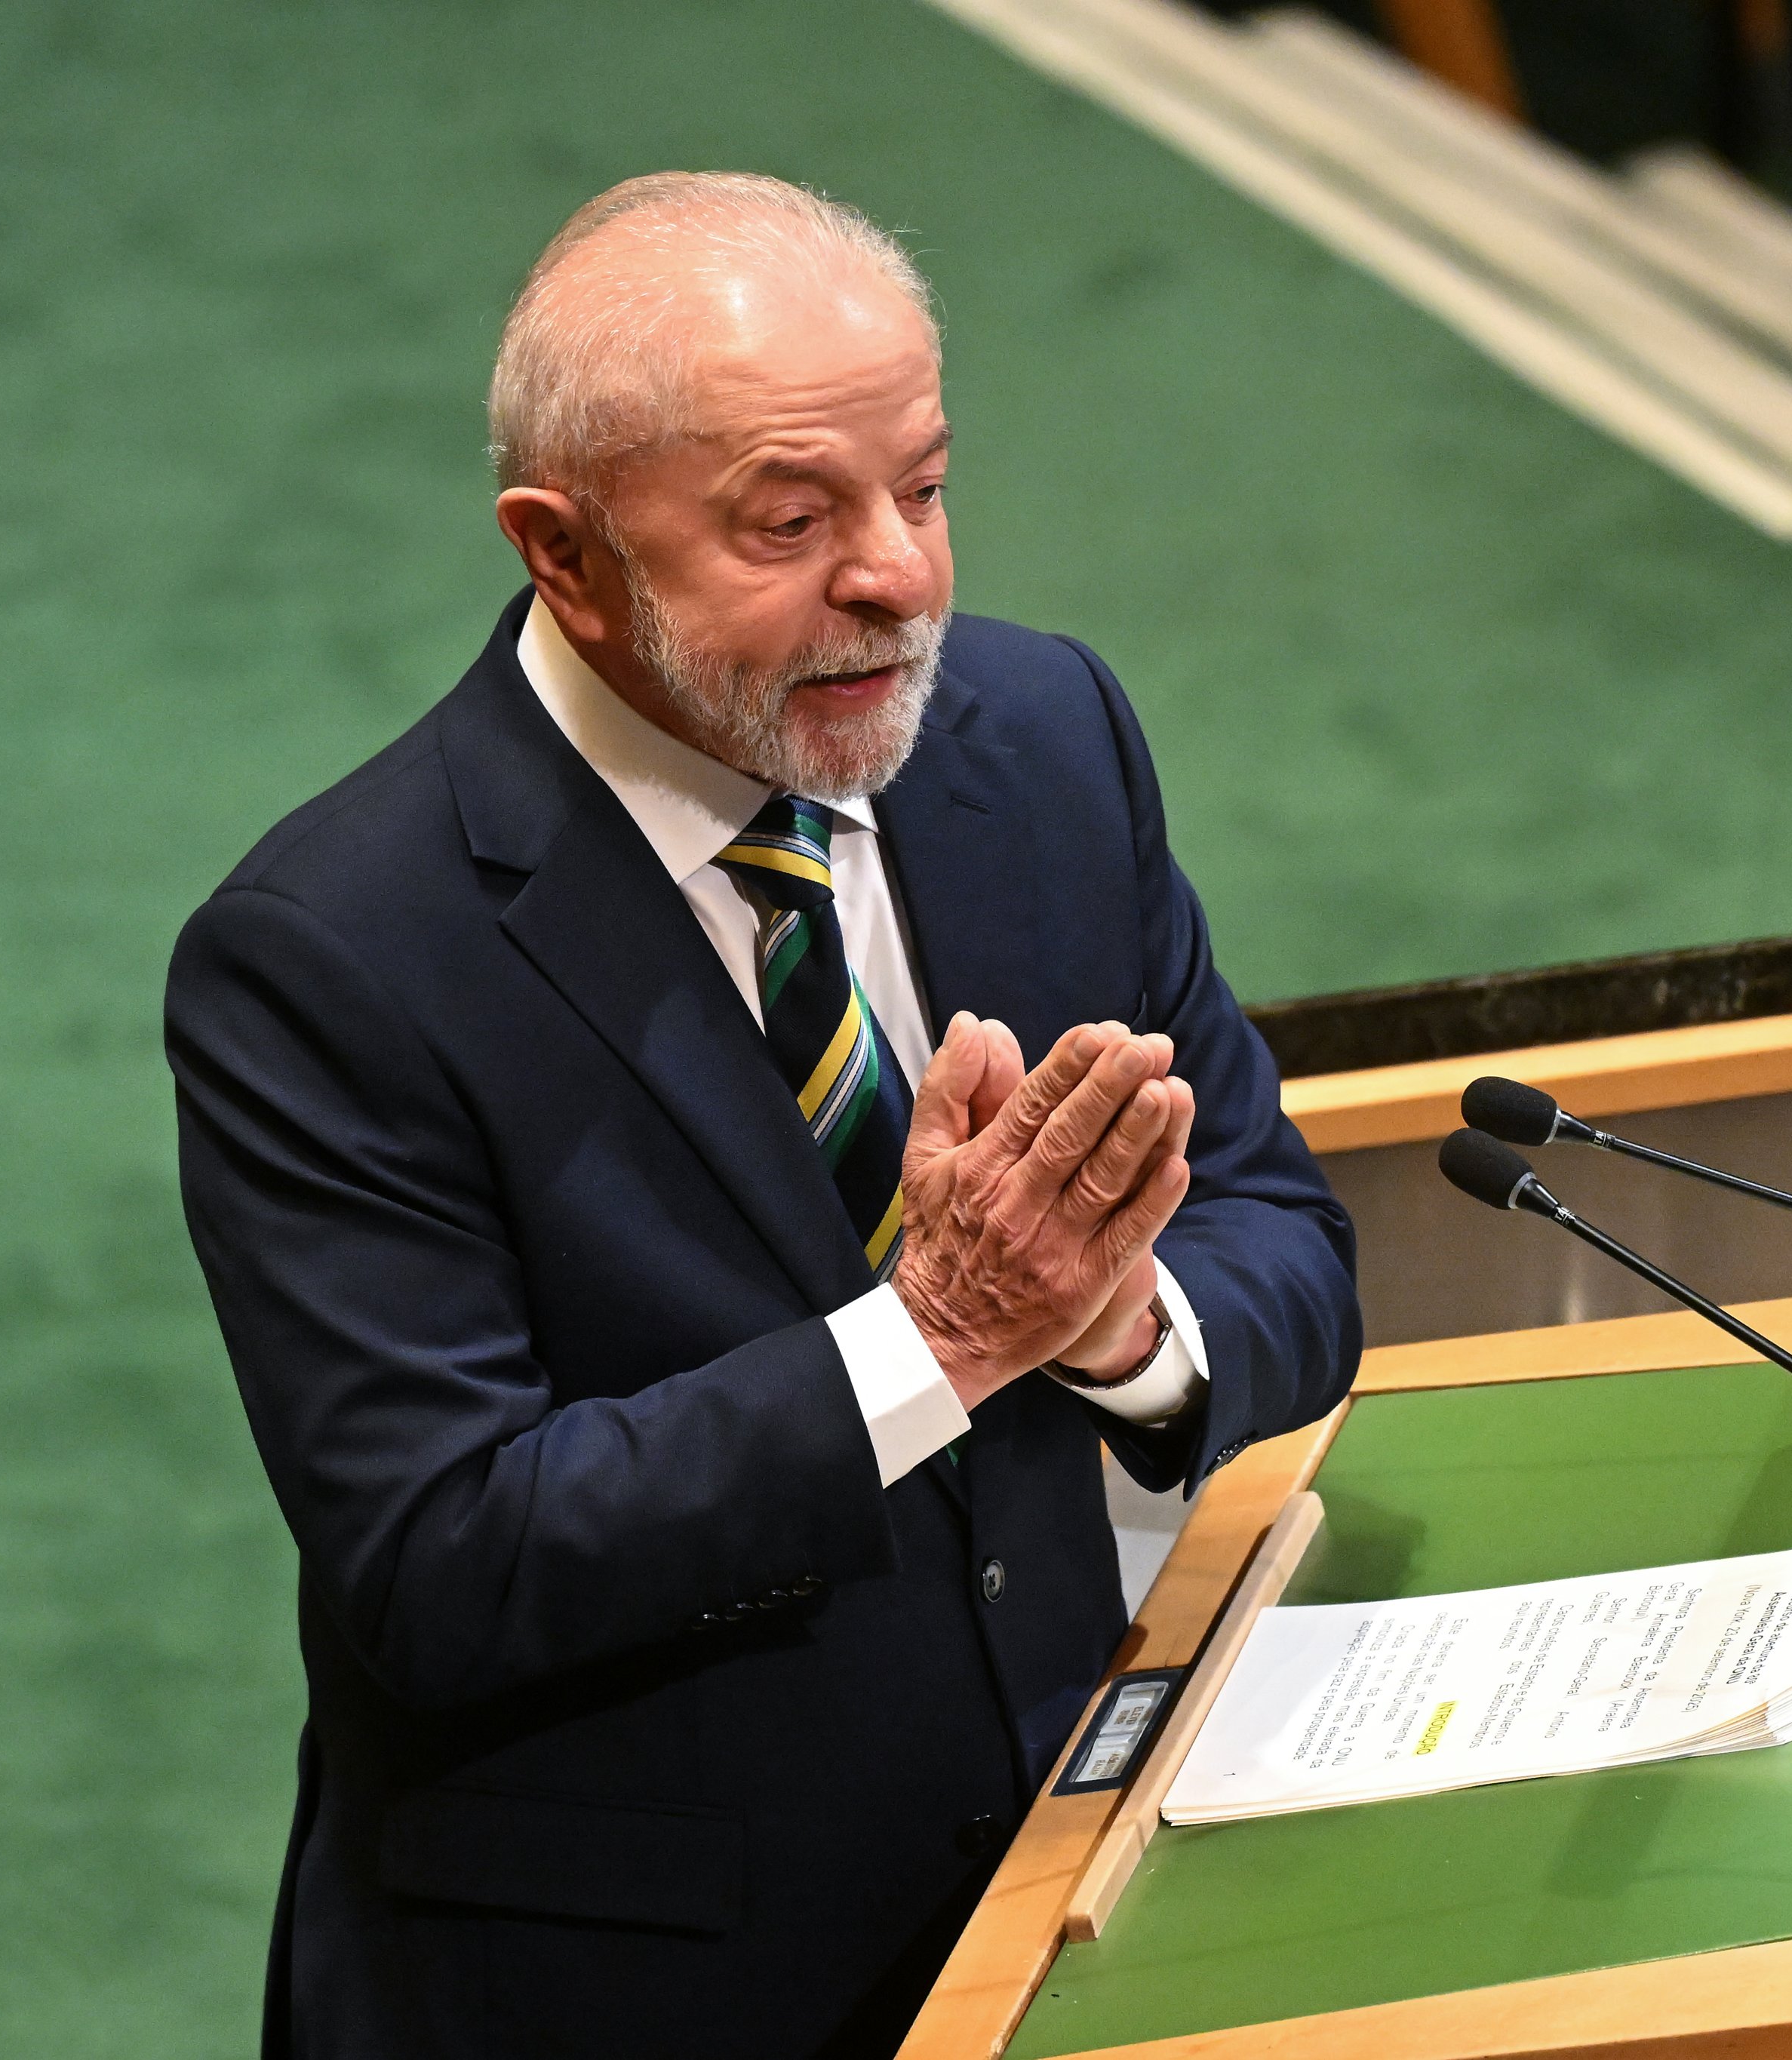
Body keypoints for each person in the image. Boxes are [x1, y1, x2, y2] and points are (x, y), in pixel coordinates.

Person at [165, 171, 1361, 2060]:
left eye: (929, 485)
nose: (897, 573)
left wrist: (1122, 1330)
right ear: (564, 556)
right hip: (636, 1982)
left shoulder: (1042, 741)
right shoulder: (333, 958)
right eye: (789, 521)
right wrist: (940, 1338)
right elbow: (448, 1561)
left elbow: (1286, 1244)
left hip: (1077, 1905)